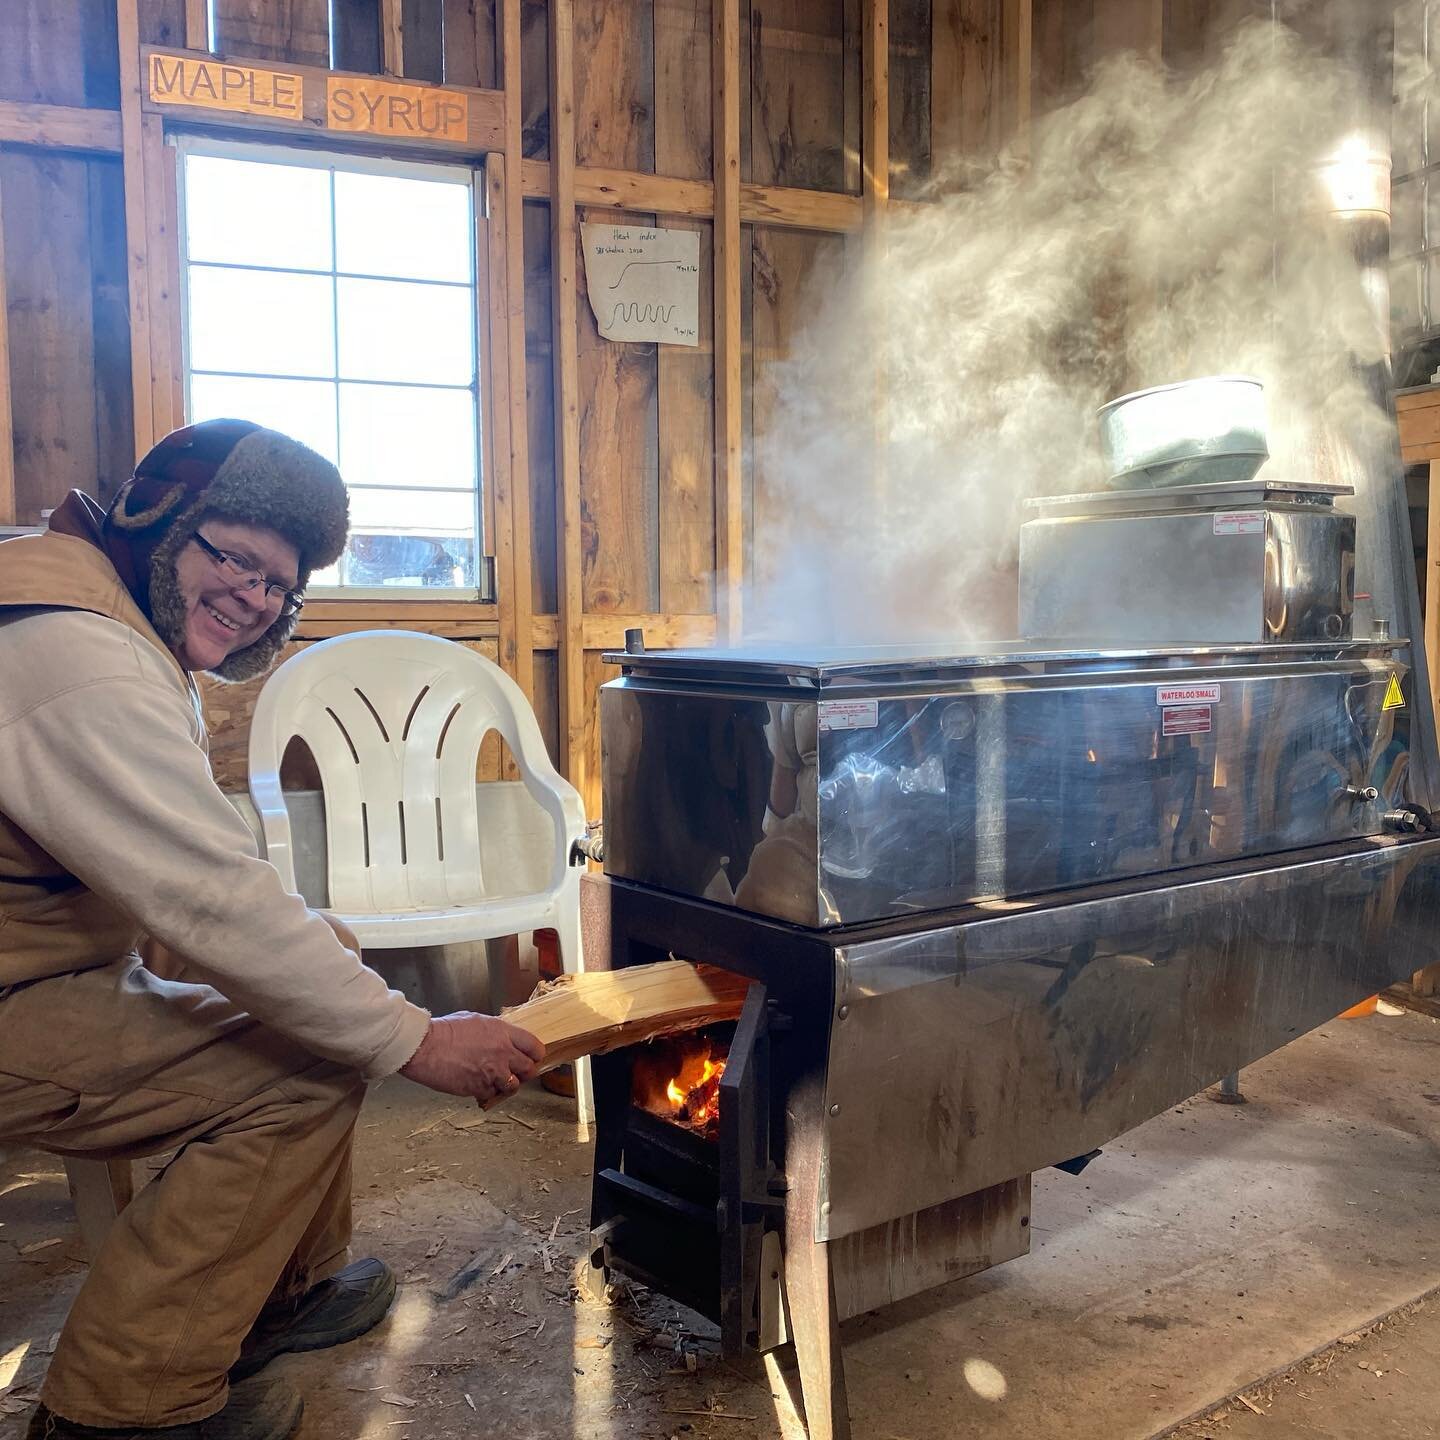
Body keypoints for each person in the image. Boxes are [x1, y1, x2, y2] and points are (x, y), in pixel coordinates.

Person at [0, 419, 545, 1440]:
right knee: (298, 1070)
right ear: (163, 522)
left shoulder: (95, 598)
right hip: (15, 987)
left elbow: (195, 884)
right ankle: (124, 1408)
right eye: (234, 558)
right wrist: (419, 1039)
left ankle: (271, 1295)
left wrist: (367, 1007)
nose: (252, 598)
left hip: (43, 936)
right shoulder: (82, 656)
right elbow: (212, 899)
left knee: (324, 965)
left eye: (275, 586)